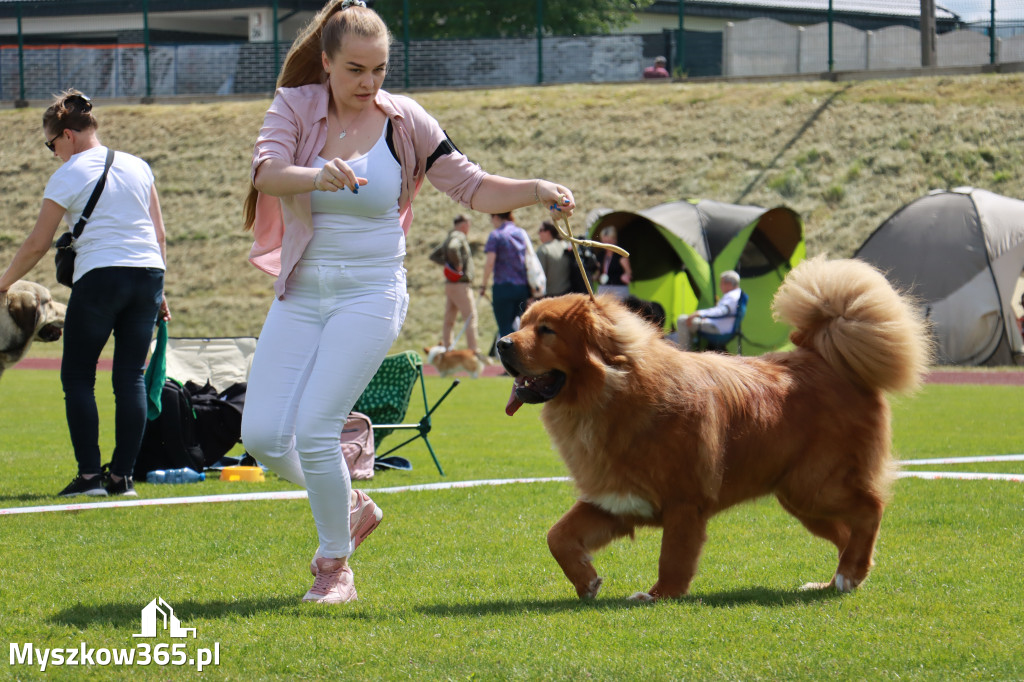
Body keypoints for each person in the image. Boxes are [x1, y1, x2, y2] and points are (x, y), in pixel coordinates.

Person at [239, 0, 576, 605]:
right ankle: (352, 504)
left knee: (314, 430)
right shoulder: (295, 106)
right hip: (302, 292)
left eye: (379, 70)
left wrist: (536, 189)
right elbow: (266, 171)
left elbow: (471, 184)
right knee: (262, 436)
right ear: (326, 64)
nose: (368, 84)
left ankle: (334, 567)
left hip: (371, 293)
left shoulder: (406, 121)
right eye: (354, 70)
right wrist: (315, 177)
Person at [0, 89, 171, 498]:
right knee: (129, 377)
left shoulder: (70, 172)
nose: (53, 153)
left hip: (101, 277)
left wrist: (3, 282)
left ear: (67, 135)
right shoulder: (138, 166)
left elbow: (38, 244)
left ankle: (90, 477)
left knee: (78, 376)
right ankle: (123, 480)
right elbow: (158, 233)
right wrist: (161, 291)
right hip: (148, 274)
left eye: (51, 145)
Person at [479, 211, 534, 343]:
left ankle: (508, 361)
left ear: (496, 216)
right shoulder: (521, 233)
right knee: (521, 327)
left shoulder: (496, 235)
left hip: (503, 287)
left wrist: (483, 285)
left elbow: (490, 262)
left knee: (505, 328)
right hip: (522, 287)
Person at [430, 214, 478, 352]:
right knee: (470, 318)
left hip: (450, 285)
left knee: (449, 319)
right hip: (460, 285)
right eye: (468, 225)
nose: (468, 228)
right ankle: (473, 351)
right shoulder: (459, 236)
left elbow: (433, 255)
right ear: (463, 225)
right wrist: (457, 265)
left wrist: (447, 265)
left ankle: (447, 348)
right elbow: (452, 248)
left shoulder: (449, 236)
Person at [676, 270, 743, 349]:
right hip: (719, 325)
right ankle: (690, 348)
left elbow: (721, 311)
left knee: (682, 320)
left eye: (721, 283)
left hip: (718, 328)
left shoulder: (732, 297)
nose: (720, 286)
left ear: (728, 284)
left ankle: (684, 352)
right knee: (687, 320)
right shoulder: (737, 294)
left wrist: (699, 313)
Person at [536, 220, 571, 297]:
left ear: (548, 232)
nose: (539, 233)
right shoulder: (565, 245)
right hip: (568, 294)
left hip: (551, 297)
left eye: (541, 230)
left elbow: (539, 277)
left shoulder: (543, 250)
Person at [597, 226, 631, 299]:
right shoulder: (600, 255)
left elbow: (628, 272)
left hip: (618, 289)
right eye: (604, 242)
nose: (607, 245)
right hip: (603, 288)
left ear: (614, 240)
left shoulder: (620, 254)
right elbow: (598, 272)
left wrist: (626, 276)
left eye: (609, 242)